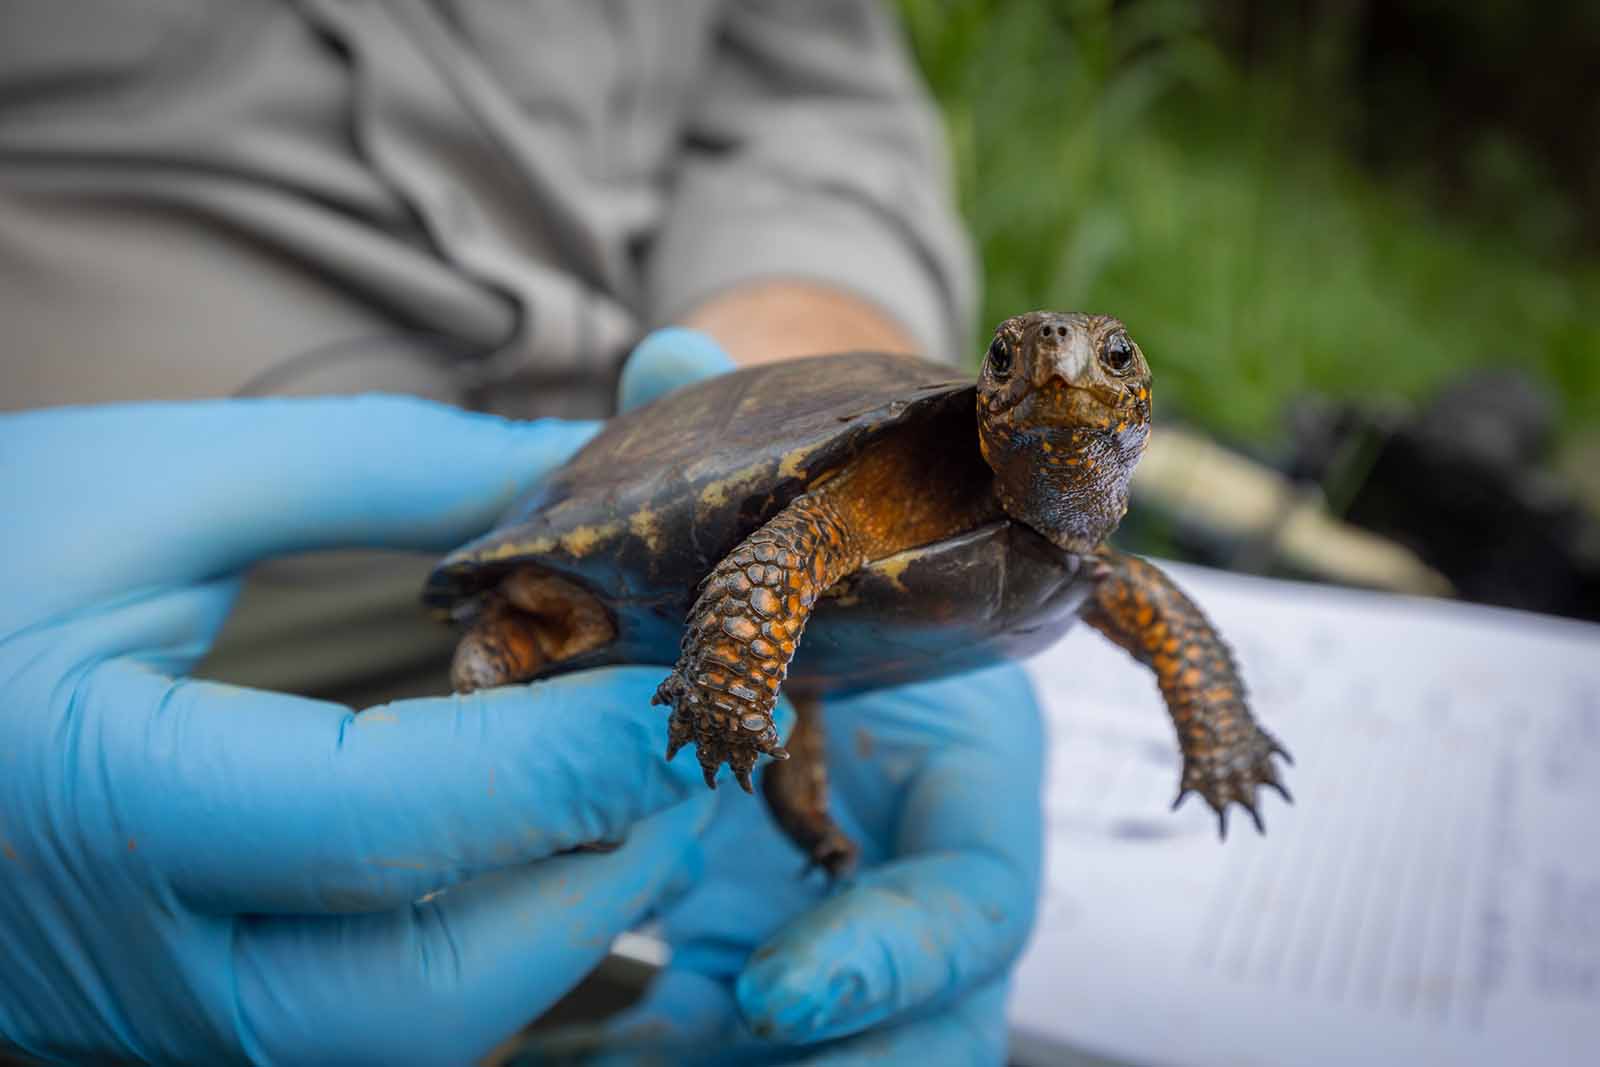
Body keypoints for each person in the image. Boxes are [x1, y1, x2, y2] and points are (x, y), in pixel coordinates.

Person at [0, 4, 1045, 1064]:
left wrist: (803, 373)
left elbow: (801, 94)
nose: (1067, 375)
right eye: (1021, 361)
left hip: (663, 439)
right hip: (108, 569)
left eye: (1110, 370)